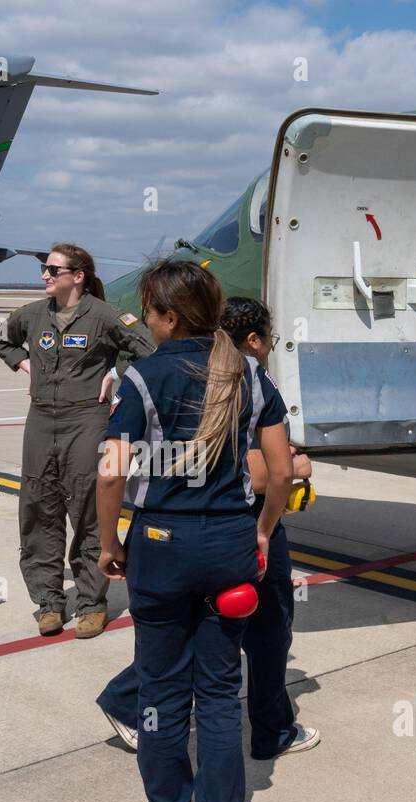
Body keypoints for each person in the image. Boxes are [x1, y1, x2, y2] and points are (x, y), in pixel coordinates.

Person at [97, 261, 293, 802]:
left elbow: (111, 472)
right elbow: (282, 472)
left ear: (169, 316)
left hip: (162, 543)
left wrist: (110, 544)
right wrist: (261, 534)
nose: (147, 321)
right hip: (230, 547)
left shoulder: (144, 377)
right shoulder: (251, 374)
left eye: (150, 311)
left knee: (160, 692)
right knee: (217, 693)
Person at [96, 296, 321, 760]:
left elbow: (114, 466)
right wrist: (295, 467)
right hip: (244, 524)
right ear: (254, 339)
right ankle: (270, 730)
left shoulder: (203, 373)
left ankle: (139, 707)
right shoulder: (242, 377)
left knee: (189, 631)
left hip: (190, 530)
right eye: (270, 339)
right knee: (267, 630)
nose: (270, 348)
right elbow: (261, 473)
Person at [0, 243, 155, 638]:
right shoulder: (32, 315)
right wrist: (22, 361)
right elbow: (1, 337)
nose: (44, 275)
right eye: (44, 269)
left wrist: (116, 373)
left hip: (86, 419)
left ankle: (91, 603)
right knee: (38, 507)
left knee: (87, 507)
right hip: (40, 419)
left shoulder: (104, 316)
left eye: (52, 269)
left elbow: (148, 349)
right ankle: (48, 602)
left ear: (77, 276)